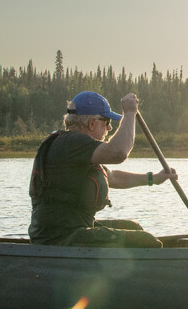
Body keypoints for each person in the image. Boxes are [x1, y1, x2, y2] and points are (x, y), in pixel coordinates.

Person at [28, 91, 177, 247]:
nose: (110, 127)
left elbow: (111, 177)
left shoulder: (77, 149)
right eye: (107, 122)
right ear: (92, 123)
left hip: (71, 231)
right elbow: (119, 152)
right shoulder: (71, 142)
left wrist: (154, 178)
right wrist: (130, 113)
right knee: (145, 241)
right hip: (59, 238)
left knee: (133, 228)